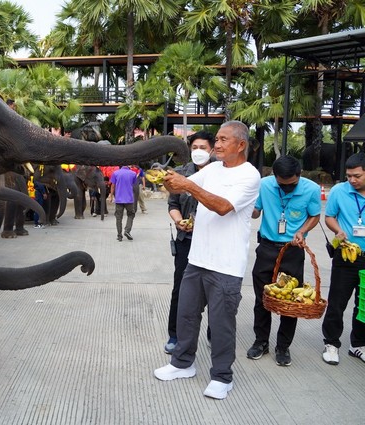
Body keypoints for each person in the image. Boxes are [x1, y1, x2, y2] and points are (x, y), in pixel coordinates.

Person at [153, 121, 260, 400]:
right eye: (218, 139)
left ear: (241, 145)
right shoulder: (212, 169)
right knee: (186, 315)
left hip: (226, 265)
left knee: (222, 323)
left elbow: (222, 206)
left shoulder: (249, 176)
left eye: (225, 140)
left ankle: (222, 377)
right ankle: (182, 363)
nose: (219, 144)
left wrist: (187, 184)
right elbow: (179, 190)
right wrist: (166, 178)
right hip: (197, 258)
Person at [248, 155, 320, 367]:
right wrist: (244, 207)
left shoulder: (312, 189)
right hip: (267, 248)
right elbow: (255, 212)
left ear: (299, 175)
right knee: (263, 299)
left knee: (291, 302)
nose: (287, 188)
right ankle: (261, 342)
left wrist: (302, 231)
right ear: (274, 177)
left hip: (293, 251)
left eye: (292, 185)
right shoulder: (264, 184)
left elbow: (314, 215)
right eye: (282, 184)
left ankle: (283, 346)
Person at [164, 130, 215, 354]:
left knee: (214, 289)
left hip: (214, 241)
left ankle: (214, 332)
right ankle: (174, 335)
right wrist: (178, 222)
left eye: (203, 148)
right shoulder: (179, 174)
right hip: (187, 239)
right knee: (181, 288)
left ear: (212, 150)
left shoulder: (221, 174)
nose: (198, 152)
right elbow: (173, 204)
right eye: (194, 148)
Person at [321, 151, 365, 365]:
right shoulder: (340, 191)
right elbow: (329, 217)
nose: (352, 180)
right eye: (349, 176)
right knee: (338, 301)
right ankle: (331, 343)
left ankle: (358, 345)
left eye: (357, 176)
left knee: (363, 304)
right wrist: (338, 230)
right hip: (346, 255)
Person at [109, 165, 137, 242]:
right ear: (128, 166)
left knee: (118, 217)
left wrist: (111, 196)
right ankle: (127, 231)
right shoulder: (133, 173)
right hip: (129, 199)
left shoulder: (115, 173)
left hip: (119, 199)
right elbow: (134, 185)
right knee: (131, 214)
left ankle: (119, 236)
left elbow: (112, 186)